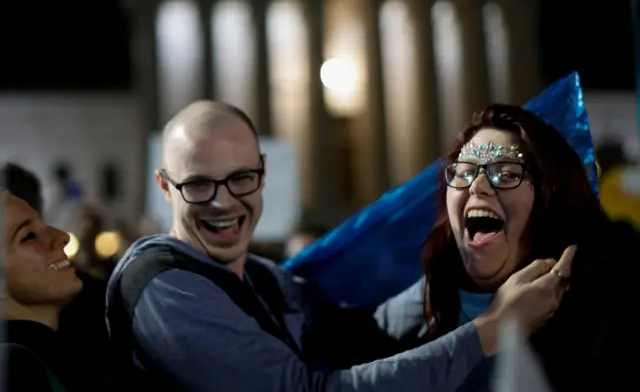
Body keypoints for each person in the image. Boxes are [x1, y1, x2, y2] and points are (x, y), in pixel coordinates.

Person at [106, 101, 575, 392]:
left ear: (263, 172)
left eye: (241, 179)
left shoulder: (263, 277)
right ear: (165, 187)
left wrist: (455, 262)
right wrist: (493, 330)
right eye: (198, 185)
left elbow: (363, 333)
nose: (224, 202)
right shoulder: (163, 287)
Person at [419, 104, 640, 390]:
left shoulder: (616, 322)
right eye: (463, 172)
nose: (477, 186)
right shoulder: (419, 308)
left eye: (506, 174)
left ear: (550, 203)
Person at [1, 163, 84, 392]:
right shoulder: (13, 366)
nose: (63, 237)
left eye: (44, 225)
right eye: (29, 236)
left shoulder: (63, 351)